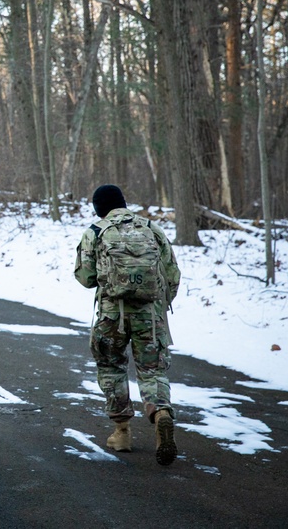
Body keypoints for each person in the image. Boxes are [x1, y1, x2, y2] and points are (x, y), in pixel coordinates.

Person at [74, 183, 181, 466]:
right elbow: (172, 274)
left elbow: (85, 278)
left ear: (99, 208)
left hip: (112, 315)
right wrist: (157, 304)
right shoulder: (151, 229)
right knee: (152, 370)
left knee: (111, 366)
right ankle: (160, 415)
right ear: (123, 202)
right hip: (150, 315)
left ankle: (122, 433)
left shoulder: (96, 232)